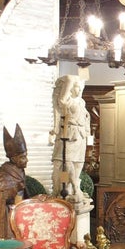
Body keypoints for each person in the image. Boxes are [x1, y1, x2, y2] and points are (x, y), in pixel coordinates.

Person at [50, 74, 91, 202]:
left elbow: (86, 119)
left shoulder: (82, 102)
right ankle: (72, 187)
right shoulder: (67, 101)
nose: (79, 90)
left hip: (81, 135)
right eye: (77, 87)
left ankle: (74, 188)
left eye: (80, 88)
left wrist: (88, 136)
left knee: (79, 162)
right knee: (67, 161)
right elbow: (62, 99)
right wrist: (70, 80)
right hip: (69, 134)